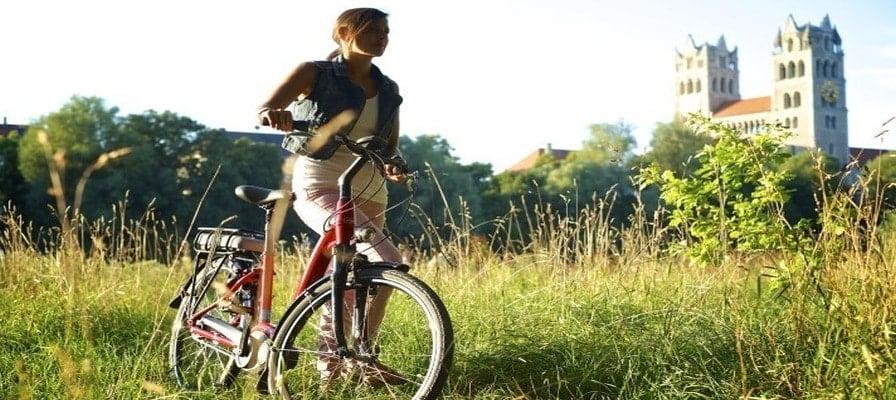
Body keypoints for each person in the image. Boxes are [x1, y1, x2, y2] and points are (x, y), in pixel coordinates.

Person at [258, 7, 406, 386]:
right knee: (389, 259)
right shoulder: (315, 72)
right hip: (321, 183)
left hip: (370, 189)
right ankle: (355, 360)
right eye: (373, 30)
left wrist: (395, 166)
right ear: (343, 32)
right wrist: (276, 115)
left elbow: (389, 147)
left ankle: (343, 365)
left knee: (356, 280)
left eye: (386, 31)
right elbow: (266, 108)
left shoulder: (388, 90)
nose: (382, 37)